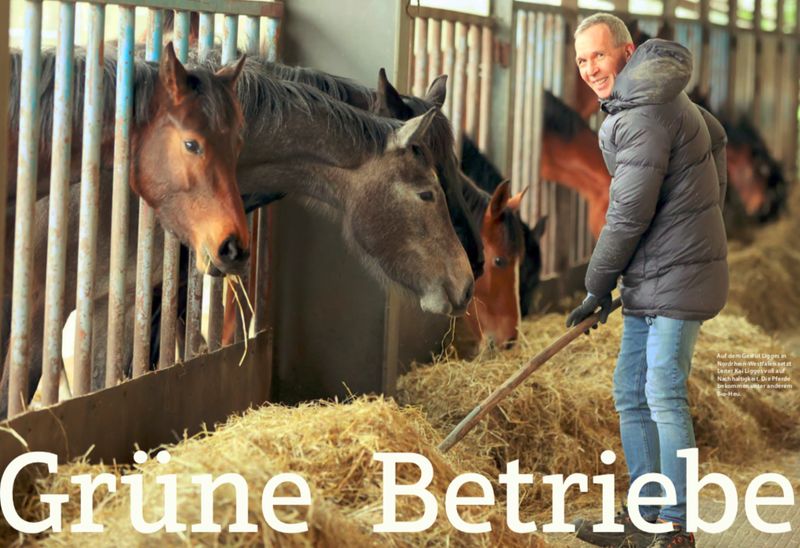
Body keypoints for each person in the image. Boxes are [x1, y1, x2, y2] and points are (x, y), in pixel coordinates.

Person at [566, 13, 729, 548]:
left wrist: (596, 285)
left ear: (627, 51)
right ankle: (646, 515)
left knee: (661, 391)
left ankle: (676, 526)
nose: (591, 69)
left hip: (675, 277)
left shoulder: (643, 113)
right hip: (654, 272)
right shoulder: (654, 100)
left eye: (599, 55)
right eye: (582, 59)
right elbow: (717, 137)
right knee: (630, 391)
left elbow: (627, 214)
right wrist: (699, 213)